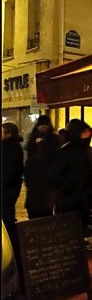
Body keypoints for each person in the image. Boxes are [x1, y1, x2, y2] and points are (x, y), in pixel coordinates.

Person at [51, 119, 92, 235]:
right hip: (69, 198)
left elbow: (90, 173)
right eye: (83, 133)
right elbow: (55, 176)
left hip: (84, 198)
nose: (86, 136)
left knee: (81, 228)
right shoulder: (65, 152)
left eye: (88, 133)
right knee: (69, 229)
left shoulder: (87, 150)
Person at [24, 114, 62, 219]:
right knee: (33, 208)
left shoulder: (54, 139)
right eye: (41, 125)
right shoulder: (32, 137)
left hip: (47, 179)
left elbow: (55, 157)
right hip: (33, 179)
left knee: (46, 209)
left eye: (45, 125)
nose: (43, 127)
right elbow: (29, 154)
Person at [1, 122, 24, 286]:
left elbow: (7, 173)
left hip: (6, 193)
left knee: (7, 222)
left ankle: (12, 252)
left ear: (8, 134)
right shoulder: (9, 147)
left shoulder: (11, 148)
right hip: (8, 191)